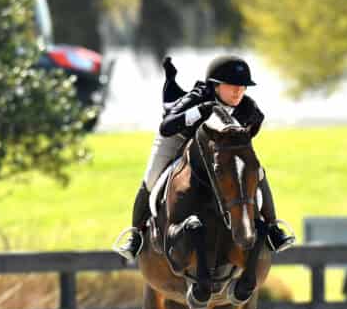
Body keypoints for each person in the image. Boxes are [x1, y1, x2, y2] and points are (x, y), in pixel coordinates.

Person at [114, 53, 295, 260]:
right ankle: (136, 235)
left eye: (243, 86)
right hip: (177, 138)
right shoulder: (198, 97)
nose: (239, 91)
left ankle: (273, 229)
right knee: (152, 177)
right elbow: (166, 127)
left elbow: (249, 135)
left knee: (257, 173)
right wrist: (199, 112)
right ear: (215, 86)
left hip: (219, 151)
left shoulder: (249, 109)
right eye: (232, 85)